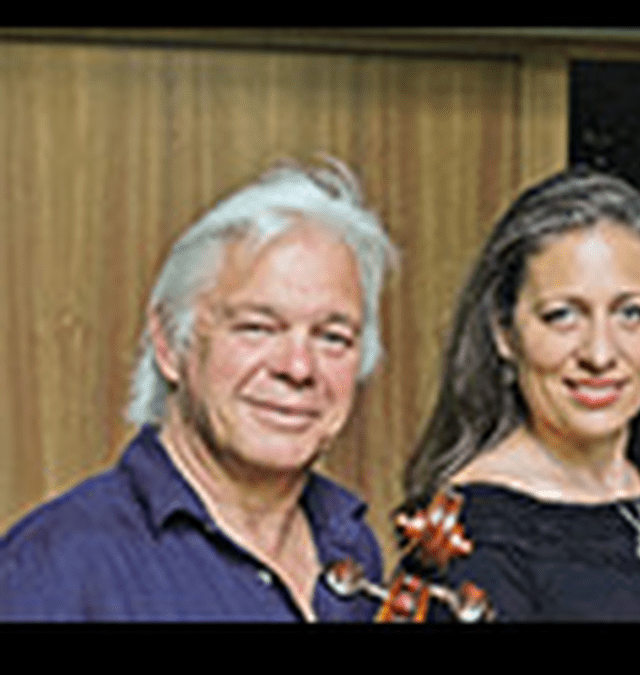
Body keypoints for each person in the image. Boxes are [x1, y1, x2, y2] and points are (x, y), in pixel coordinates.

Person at [1, 157, 399, 621]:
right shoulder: (56, 566)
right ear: (171, 343)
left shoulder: (349, 548)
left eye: (332, 337)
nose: (298, 368)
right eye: (257, 328)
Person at [402, 168, 640, 621]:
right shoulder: (473, 539)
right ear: (504, 332)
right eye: (562, 315)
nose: (600, 354)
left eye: (631, 313)